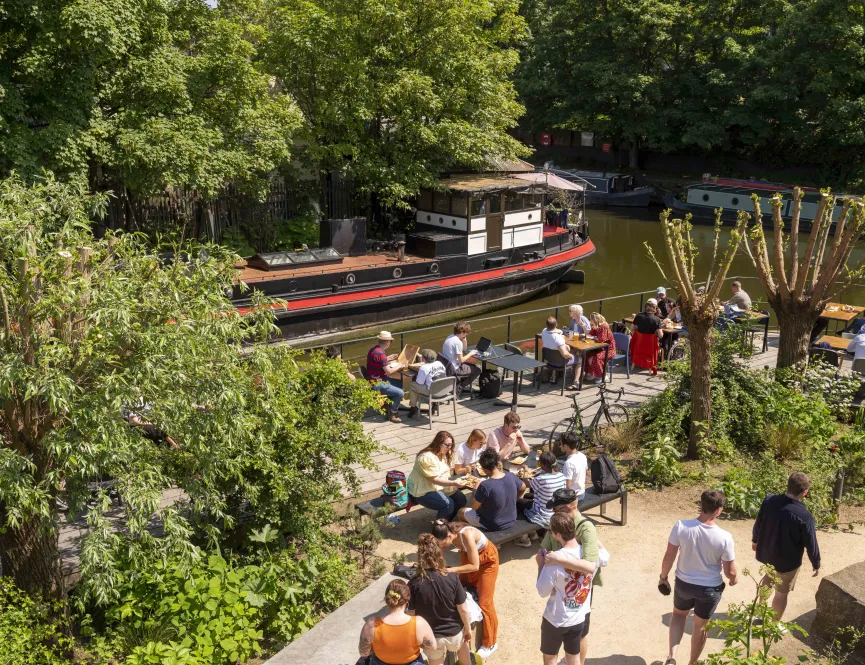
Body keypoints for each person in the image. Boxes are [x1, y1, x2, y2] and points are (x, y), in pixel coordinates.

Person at [660, 490, 738, 665]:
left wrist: (663, 577)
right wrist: (733, 579)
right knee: (700, 626)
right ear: (719, 510)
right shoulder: (725, 537)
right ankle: (692, 662)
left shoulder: (681, 526)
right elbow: (729, 571)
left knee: (679, 616)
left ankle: (672, 657)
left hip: (683, 583)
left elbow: (668, 557)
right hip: (709, 589)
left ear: (701, 505)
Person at [541, 488, 605, 665]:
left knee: (580, 633)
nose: (553, 512)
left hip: (580, 589)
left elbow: (590, 566)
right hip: (558, 587)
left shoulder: (586, 527)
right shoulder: (557, 522)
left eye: (556, 509)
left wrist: (558, 559)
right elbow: (545, 548)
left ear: (569, 507)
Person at [752, 472, 821, 621]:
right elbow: (811, 542)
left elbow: (759, 521)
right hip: (787, 562)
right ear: (805, 492)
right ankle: (773, 625)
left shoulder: (769, 500)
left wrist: (755, 539)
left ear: (788, 485)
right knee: (781, 593)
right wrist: (816, 562)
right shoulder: (805, 516)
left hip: (767, 553)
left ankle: (760, 613)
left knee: (768, 579)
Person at [432, 519, 500, 660]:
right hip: (468, 555)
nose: (442, 546)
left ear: (450, 536)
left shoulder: (467, 535)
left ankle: (490, 643)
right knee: (463, 587)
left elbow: (475, 566)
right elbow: (440, 554)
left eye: (443, 543)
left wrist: (450, 570)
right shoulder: (447, 534)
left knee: (485, 602)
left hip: (487, 560)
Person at [408, 533, 473, 665]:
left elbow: (412, 614)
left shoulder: (414, 584)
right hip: (454, 633)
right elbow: (463, 609)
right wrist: (467, 629)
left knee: (435, 660)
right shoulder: (451, 577)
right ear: (438, 552)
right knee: (462, 647)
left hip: (431, 636)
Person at [358, 579, 436, 665]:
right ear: (407, 599)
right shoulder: (419, 623)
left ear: (387, 599)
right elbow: (432, 647)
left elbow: (364, 653)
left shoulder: (372, 624)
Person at [458, 448, 528, 536]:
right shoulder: (511, 476)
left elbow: (474, 507)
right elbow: (523, 487)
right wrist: (515, 498)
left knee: (461, 512)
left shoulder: (485, 485)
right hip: (511, 518)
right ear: (497, 463)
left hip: (492, 524)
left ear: (484, 469)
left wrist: (475, 490)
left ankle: (472, 536)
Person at [407, 431, 469, 520]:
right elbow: (434, 479)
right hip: (422, 491)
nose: (449, 447)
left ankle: (448, 521)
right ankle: (439, 530)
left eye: (451, 444)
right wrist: (454, 483)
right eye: (447, 445)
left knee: (461, 500)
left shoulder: (444, 454)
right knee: (448, 504)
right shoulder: (426, 457)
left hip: (439, 487)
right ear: (438, 443)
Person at [367, 331, 405, 423]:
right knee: (400, 393)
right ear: (387, 342)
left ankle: (388, 404)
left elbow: (378, 360)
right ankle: (393, 412)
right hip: (377, 383)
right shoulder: (381, 354)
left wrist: (388, 358)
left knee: (399, 383)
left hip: (372, 380)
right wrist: (400, 366)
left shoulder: (373, 350)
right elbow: (388, 371)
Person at [524, 451, 567, 527]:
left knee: (519, 502)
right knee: (527, 495)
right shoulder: (562, 476)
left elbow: (525, 484)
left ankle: (529, 534)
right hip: (556, 509)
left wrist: (525, 471)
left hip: (544, 514)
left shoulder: (542, 479)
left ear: (542, 465)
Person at [442, 322, 482, 395]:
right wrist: (471, 353)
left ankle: (456, 385)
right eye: (466, 333)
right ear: (462, 332)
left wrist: (464, 338)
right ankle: (459, 388)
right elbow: (462, 360)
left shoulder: (450, 337)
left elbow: (464, 349)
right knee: (477, 370)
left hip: (447, 367)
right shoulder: (457, 342)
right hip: (454, 369)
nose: (467, 334)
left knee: (472, 367)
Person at [541, 316, 580, 387]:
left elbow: (552, 332)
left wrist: (564, 345)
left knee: (556, 353)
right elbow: (565, 354)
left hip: (550, 360)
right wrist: (570, 355)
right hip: (560, 362)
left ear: (546, 325)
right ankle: (576, 381)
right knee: (580, 359)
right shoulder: (558, 338)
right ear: (556, 325)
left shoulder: (544, 331)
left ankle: (553, 377)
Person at [408, 348, 447, 419]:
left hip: (433, 392)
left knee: (412, 385)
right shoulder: (439, 363)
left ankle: (413, 407)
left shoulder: (424, 367)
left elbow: (419, 383)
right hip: (444, 390)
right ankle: (434, 403)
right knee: (431, 382)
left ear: (424, 358)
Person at [632, 302, 663, 375]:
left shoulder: (638, 316)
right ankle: (651, 367)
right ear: (654, 309)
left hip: (639, 345)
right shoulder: (657, 319)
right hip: (650, 347)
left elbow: (632, 328)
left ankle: (633, 365)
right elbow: (661, 335)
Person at [584, 313, 615, 383]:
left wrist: (594, 338)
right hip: (599, 348)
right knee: (587, 354)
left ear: (595, 320)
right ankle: (593, 373)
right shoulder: (596, 326)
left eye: (590, 320)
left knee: (596, 357)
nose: (590, 321)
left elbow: (601, 339)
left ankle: (603, 376)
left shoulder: (604, 327)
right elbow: (589, 335)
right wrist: (583, 326)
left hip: (608, 349)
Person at [561, 432, 588, 500]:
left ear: (565, 446)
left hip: (574, 497)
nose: (560, 446)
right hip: (582, 492)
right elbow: (586, 473)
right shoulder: (582, 456)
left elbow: (568, 488)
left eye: (561, 444)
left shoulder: (569, 463)